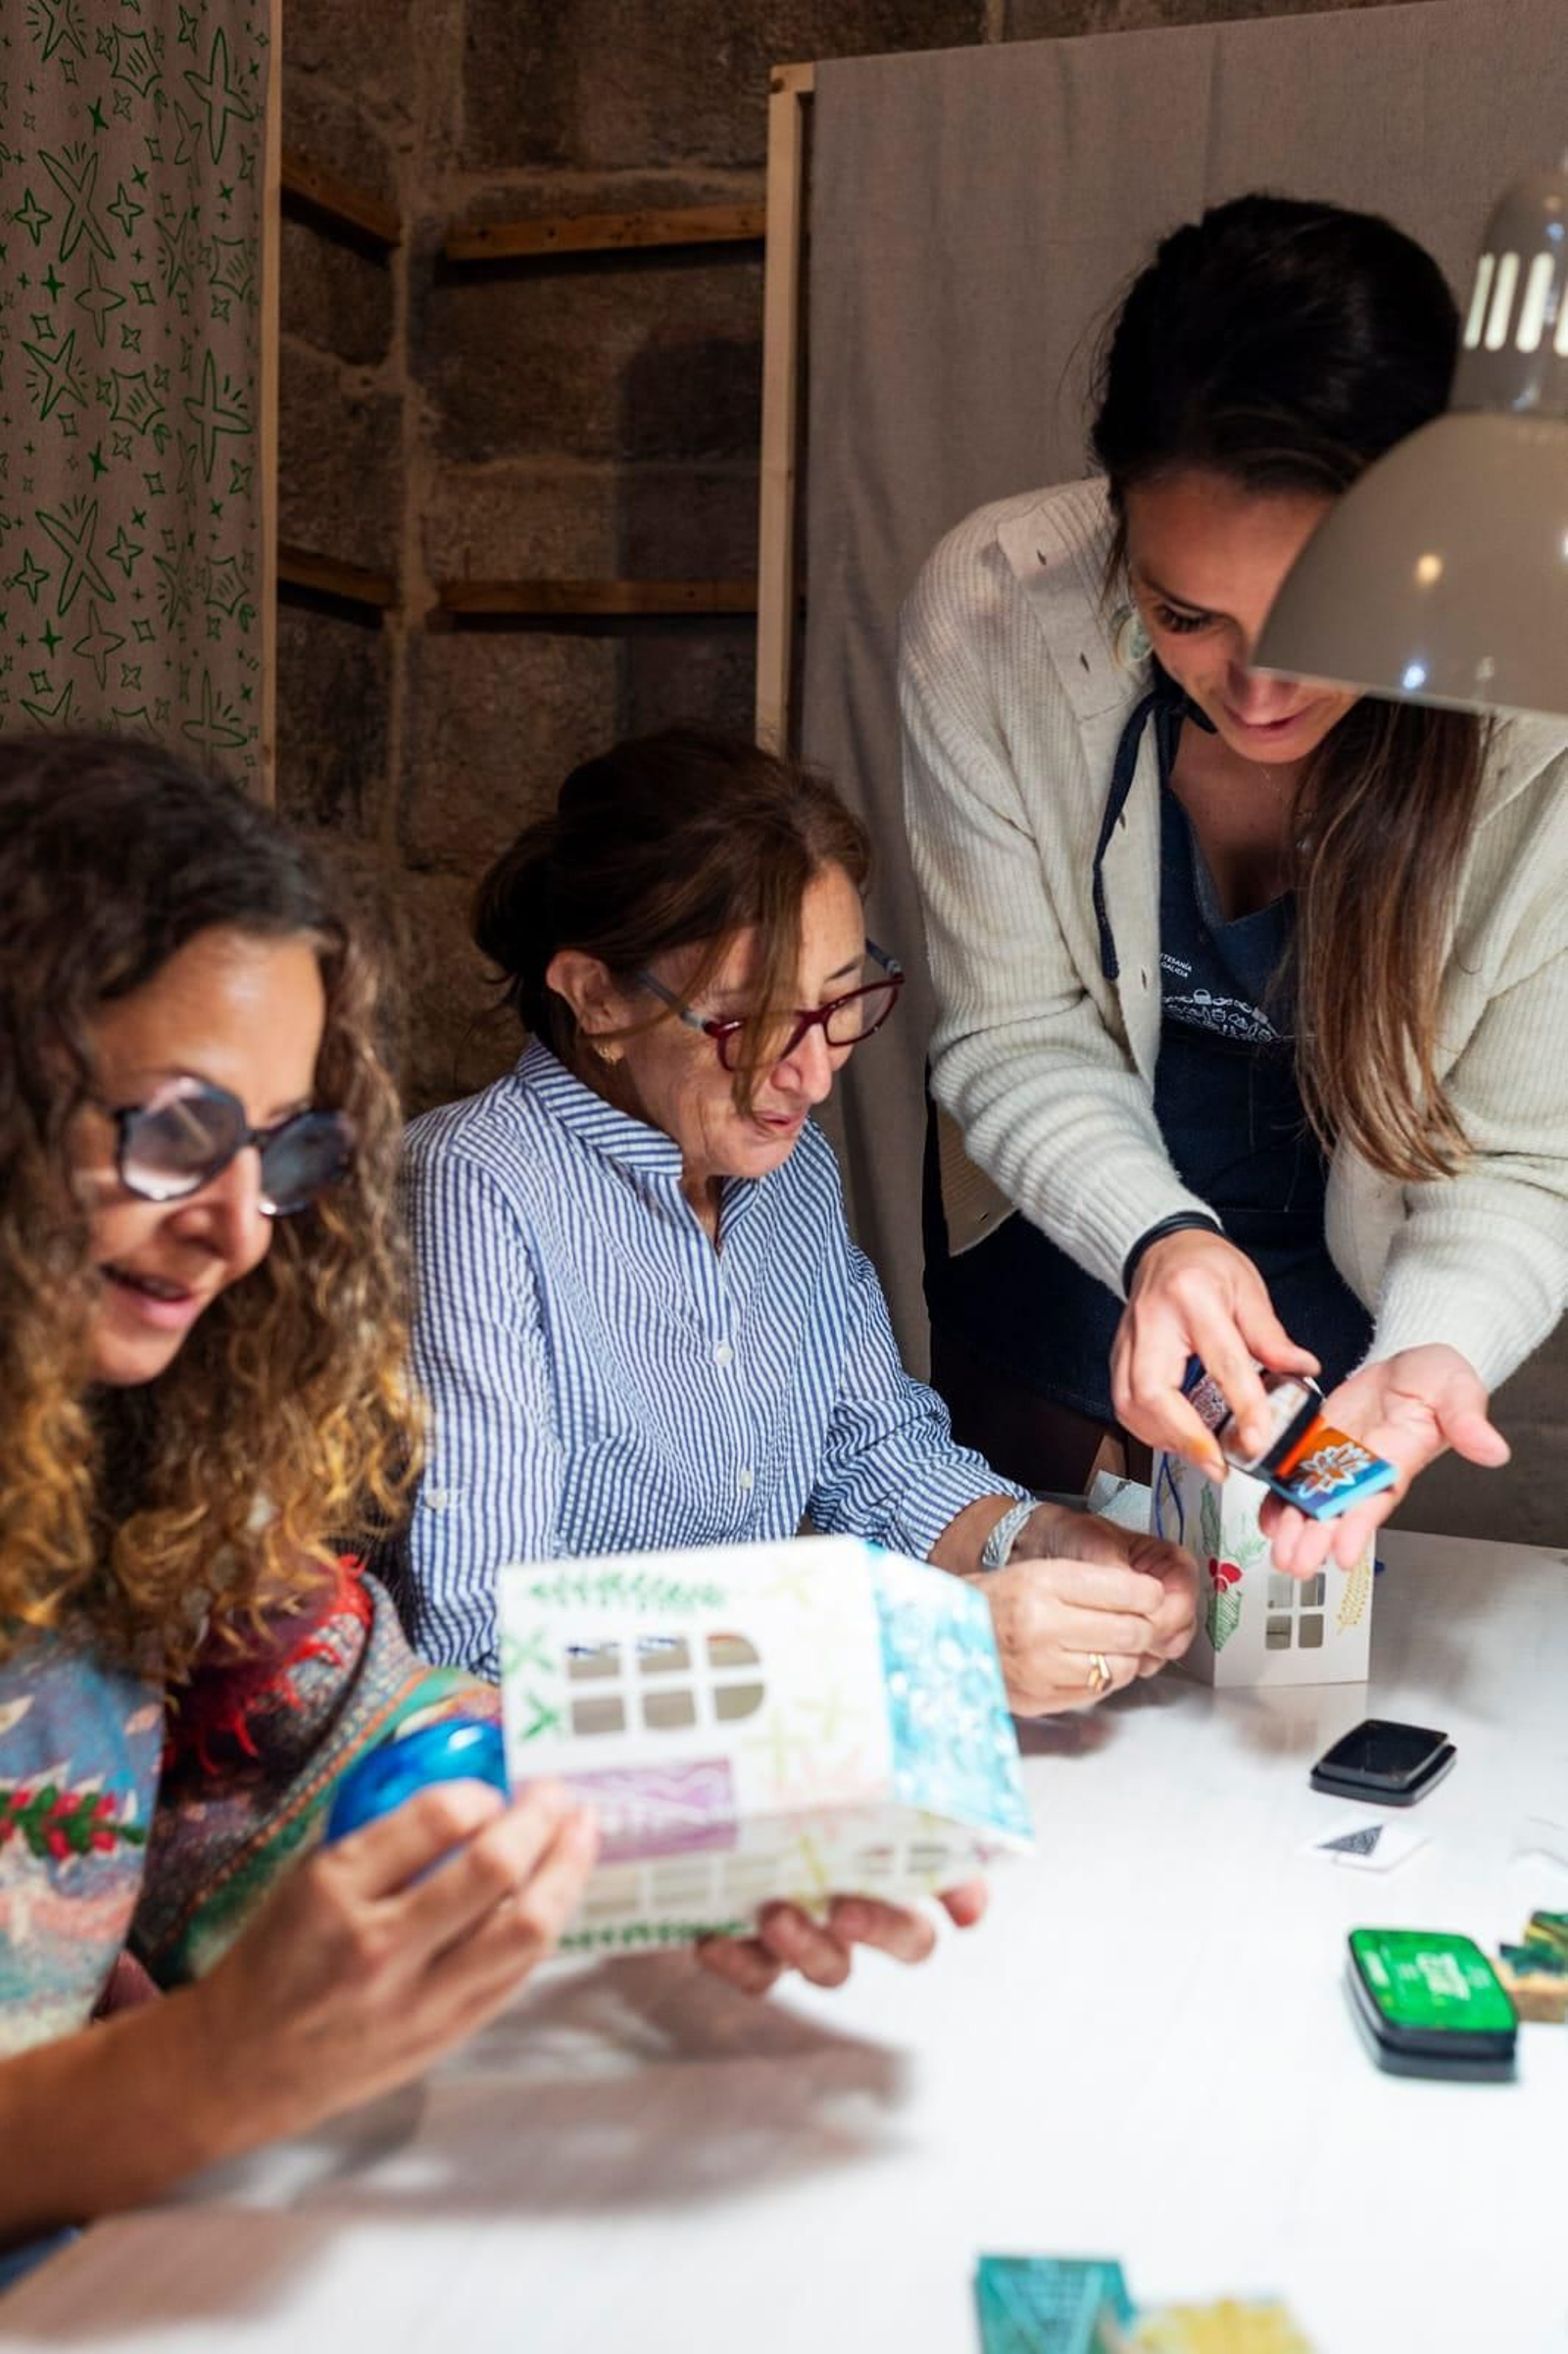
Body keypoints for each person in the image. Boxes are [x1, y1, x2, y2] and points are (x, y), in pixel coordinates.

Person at [0, 736, 950, 2261]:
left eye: (282, 1152)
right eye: (174, 1133)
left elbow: (366, 1739)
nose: (241, 1228)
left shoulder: (161, 1470)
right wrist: (199, 2069)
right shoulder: (490, 1187)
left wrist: (704, 1826)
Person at [902, 193, 1568, 1580]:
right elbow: (1014, 1027)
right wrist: (1155, 1238)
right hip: (1068, 1220)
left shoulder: (1538, 711)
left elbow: (1520, 1154)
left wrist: (1438, 1342)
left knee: (1293, 1618)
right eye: (1184, 614)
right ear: (1116, 534)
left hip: (1365, 1262)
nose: (1257, 693)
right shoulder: (996, 611)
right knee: (1065, 1617)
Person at [388, 729, 1196, 1715]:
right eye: (751, 1025)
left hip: (760, 1762)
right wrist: (923, 1648)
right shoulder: (474, 1188)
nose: (811, 1076)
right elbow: (483, 1647)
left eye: (841, 1002)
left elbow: (874, 1453)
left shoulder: (787, 1171)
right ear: (595, 997)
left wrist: (1038, 1541)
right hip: (551, 1790)